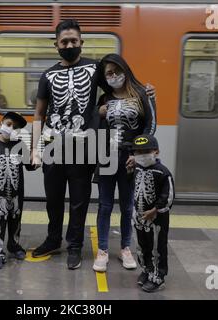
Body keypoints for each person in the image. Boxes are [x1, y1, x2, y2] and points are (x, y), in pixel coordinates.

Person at [30, 19, 156, 270]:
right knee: (53, 199)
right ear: (56, 44)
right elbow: (38, 115)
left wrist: (144, 90)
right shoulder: (47, 76)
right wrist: (34, 148)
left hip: (84, 147)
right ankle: (53, 239)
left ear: (81, 43)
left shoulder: (94, 69)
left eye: (74, 41)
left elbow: (119, 84)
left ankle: (74, 246)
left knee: (79, 200)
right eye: (64, 41)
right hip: (53, 145)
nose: (69, 45)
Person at [92, 53, 157, 272]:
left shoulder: (141, 94)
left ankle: (125, 248)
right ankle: (102, 250)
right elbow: (91, 127)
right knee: (105, 205)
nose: (113, 76)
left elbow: (150, 125)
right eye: (108, 73)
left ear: (125, 70)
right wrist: (97, 114)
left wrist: (138, 154)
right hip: (107, 155)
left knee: (128, 206)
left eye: (116, 71)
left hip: (130, 157)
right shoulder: (104, 99)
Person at [0, 111, 35, 269]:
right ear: (1, 123)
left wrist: (36, 157)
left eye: (15, 128)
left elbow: (29, 166)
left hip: (17, 195)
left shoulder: (20, 146)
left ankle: (14, 245)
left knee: (16, 222)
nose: (11, 129)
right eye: (9, 124)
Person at [130, 134, 174, 293]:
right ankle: (147, 270)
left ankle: (158, 276)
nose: (141, 155)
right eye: (138, 152)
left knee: (157, 247)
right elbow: (135, 190)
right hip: (139, 216)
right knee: (142, 246)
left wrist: (155, 210)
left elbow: (168, 197)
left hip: (156, 218)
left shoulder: (163, 172)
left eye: (146, 151)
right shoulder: (136, 168)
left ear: (156, 151)